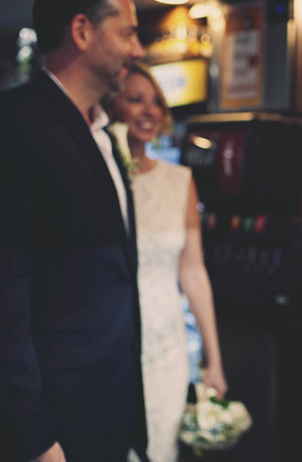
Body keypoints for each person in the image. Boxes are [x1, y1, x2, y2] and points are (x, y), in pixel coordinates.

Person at [0, 0, 147, 461]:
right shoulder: (16, 122)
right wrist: (37, 438)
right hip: (58, 423)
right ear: (82, 31)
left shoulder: (102, 131)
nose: (139, 49)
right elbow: (6, 296)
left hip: (109, 406)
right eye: (127, 33)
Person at [106, 61, 228, 462]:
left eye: (155, 102)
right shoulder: (102, 180)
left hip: (168, 350)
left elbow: (193, 274)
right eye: (135, 100)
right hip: (111, 346)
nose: (148, 111)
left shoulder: (180, 181)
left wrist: (214, 358)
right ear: (111, 107)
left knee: (161, 449)